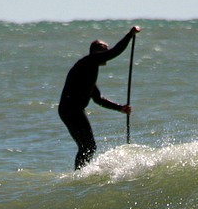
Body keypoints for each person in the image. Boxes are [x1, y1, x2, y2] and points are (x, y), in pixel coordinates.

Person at [59, 26, 140, 170]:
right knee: (88, 146)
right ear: (96, 52)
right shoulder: (89, 61)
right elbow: (115, 52)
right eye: (104, 50)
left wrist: (120, 108)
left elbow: (98, 99)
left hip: (72, 110)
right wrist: (130, 35)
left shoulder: (89, 70)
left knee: (87, 146)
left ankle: (79, 172)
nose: (106, 53)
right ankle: (79, 174)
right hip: (71, 110)